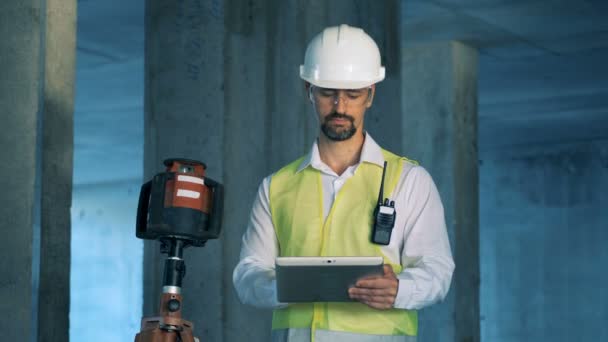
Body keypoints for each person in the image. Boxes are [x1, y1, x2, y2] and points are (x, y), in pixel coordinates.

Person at [233, 24, 454, 342]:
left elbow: (437, 268)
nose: (340, 107)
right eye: (328, 93)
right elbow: (247, 274)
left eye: (353, 94)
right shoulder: (277, 187)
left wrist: (400, 290)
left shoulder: (409, 181)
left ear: (370, 95)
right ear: (308, 90)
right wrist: (285, 286)